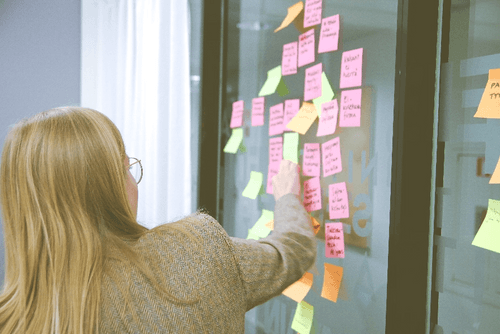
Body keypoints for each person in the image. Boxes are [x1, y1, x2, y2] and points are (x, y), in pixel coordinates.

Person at [0, 107, 317, 333]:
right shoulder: (192, 251)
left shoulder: (11, 319)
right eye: (125, 167)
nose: (132, 181)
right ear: (108, 187)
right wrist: (287, 196)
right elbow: (290, 251)